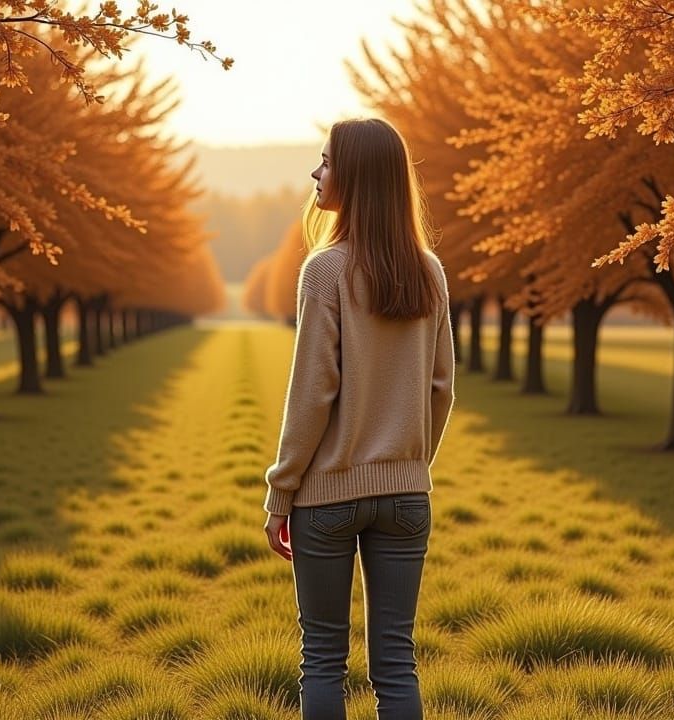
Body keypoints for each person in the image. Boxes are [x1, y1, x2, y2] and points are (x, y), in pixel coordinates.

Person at [261, 117, 456, 720]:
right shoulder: (430, 271)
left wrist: (281, 491)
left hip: (327, 497)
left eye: (325, 162)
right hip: (406, 496)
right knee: (397, 662)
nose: (316, 174)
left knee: (322, 659)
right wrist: (409, 464)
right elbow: (442, 388)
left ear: (356, 177)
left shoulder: (325, 270)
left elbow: (312, 394)